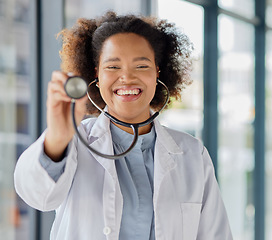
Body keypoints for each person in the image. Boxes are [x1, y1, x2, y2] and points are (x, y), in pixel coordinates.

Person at [14, 11, 233, 240]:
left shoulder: (192, 154)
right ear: (96, 75)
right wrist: (58, 138)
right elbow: (37, 196)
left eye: (141, 66)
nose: (127, 78)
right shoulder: (74, 144)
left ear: (157, 72)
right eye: (113, 67)